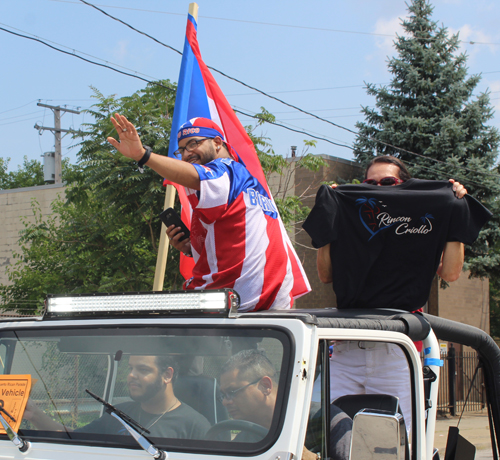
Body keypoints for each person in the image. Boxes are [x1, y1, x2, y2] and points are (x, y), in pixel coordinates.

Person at [302, 155, 492, 432]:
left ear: (405, 184)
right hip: (347, 347)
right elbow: (325, 275)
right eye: (370, 183)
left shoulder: (423, 217)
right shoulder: (350, 214)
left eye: (388, 182)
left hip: (396, 351)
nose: (379, 187)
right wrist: (329, 216)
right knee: (323, 434)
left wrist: (455, 210)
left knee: (400, 439)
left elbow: (450, 273)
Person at [107, 114, 302, 312]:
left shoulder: (226, 170)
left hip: (229, 306)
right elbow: (240, 240)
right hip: (271, 303)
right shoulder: (249, 183)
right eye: (181, 149)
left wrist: (143, 155)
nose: (186, 154)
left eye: (193, 144)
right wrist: (191, 248)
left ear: (218, 142)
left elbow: (193, 175)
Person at [24, 355, 211, 439]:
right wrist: (34, 414)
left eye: (143, 370)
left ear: (167, 375)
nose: (131, 375)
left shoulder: (196, 426)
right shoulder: (120, 414)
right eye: (130, 368)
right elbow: (73, 438)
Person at [219, 349, 352, 460]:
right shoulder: (246, 438)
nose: (225, 402)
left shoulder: (328, 422)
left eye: (232, 392)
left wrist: (312, 458)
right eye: (223, 395)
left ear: (265, 386)